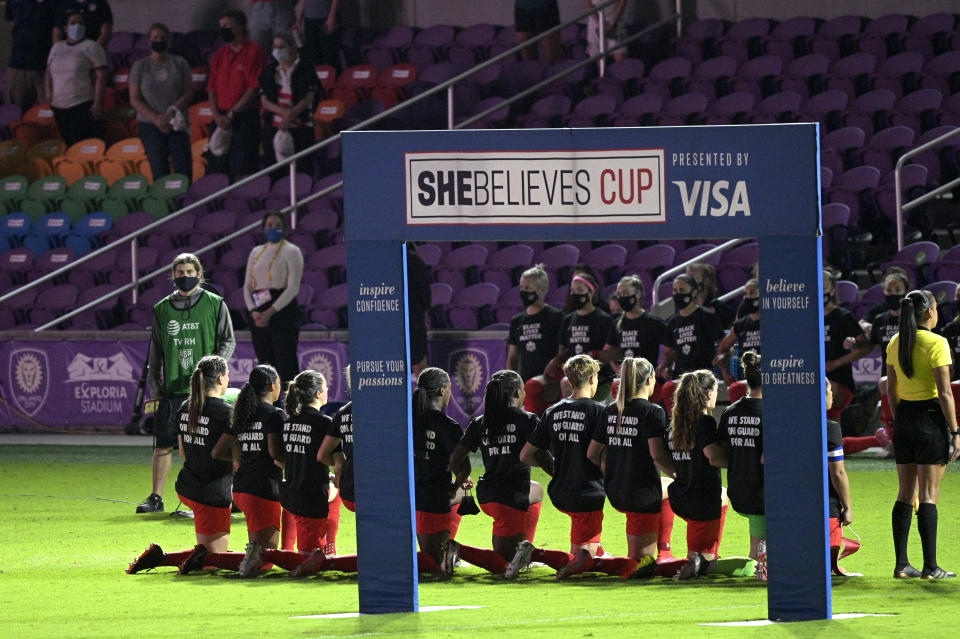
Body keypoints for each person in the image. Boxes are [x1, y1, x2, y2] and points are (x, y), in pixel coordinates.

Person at [136, 253, 236, 514]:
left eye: (190, 271)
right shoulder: (162, 308)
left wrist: (213, 369)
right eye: (179, 272)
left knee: (204, 445)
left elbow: (228, 341)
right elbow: (155, 351)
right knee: (164, 443)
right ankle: (156, 498)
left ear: (199, 274)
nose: (185, 276)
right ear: (173, 276)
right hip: (172, 388)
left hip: (207, 391)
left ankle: (211, 496)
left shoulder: (215, 304)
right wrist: (155, 386)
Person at [127, 356, 237, 575]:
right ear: (221, 379)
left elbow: (185, 454)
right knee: (215, 560)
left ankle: (158, 558)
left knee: (208, 553)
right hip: (212, 492)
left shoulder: (186, 407)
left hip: (188, 486)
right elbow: (235, 459)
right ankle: (161, 558)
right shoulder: (227, 413)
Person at [887, 289, 960, 579]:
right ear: (929, 311)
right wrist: (955, 431)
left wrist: (899, 420)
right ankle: (931, 567)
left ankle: (902, 565)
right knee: (928, 495)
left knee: (905, 494)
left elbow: (890, 390)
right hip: (930, 419)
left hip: (904, 417)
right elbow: (945, 393)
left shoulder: (895, 341)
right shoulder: (937, 342)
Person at [448, 370, 545, 578]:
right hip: (510, 498)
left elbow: (456, 458)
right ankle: (457, 550)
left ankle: (524, 548)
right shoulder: (528, 420)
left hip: (488, 495)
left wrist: (461, 478)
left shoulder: (481, 422)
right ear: (518, 393)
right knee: (507, 567)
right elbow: (543, 457)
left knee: (536, 489)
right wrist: (561, 473)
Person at [587, 357, 676, 579]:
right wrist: (680, 474)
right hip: (641, 494)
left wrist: (614, 470)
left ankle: (665, 550)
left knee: (668, 487)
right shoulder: (653, 411)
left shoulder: (610, 410)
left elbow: (592, 453)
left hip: (616, 489)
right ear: (650, 380)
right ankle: (593, 563)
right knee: (641, 565)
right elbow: (657, 455)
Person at [521, 354, 606, 579]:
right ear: (591, 379)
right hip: (587, 494)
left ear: (569, 381)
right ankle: (536, 554)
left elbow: (527, 454)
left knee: (592, 552)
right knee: (583, 561)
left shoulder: (552, 411)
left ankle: (593, 551)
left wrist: (556, 470)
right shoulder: (599, 411)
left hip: (560, 492)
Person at [210, 364, 285, 578]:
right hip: (263, 489)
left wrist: (238, 459)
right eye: (279, 383)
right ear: (272, 386)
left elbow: (217, 452)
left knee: (257, 547)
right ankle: (216, 560)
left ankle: (210, 557)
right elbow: (275, 453)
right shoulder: (274, 415)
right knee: (265, 559)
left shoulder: (243, 414)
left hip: (241, 489)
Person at [666, 369, 728, 580]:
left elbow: (662, 457)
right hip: (702, 500)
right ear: (708, 393)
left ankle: (709, 554)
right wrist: (739, 462)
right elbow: (713, 456)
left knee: (724, 494)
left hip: (681, 495)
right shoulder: (704, 421)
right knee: (701, 565)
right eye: (716, 391)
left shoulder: (676, 424)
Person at [846, 271, 910, 455]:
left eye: (898, 290)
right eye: (889, 290)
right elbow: (868, 346)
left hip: (912, 374)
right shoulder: (881, 319)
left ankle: (894, 440)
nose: (893, 294)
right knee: (885, 386)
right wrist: (853, 343)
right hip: (889, 376)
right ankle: (892, 440)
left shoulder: (914, 318)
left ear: (906, 292)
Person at [412, 367, 468, 574]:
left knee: (434, 560)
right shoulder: (449, 426)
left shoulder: (406, 421)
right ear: (443, 390)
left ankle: (448, 548)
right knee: (435, 564)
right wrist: (455, 486)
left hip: (408, 499)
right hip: (433, 500)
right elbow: (463, 467)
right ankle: (451, 551)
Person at [716, 350, 766, 580]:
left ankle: (758, 561)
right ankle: (760, 564)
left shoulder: (730, 411)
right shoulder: (772, 413)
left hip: (738, 486)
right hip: (764, 489)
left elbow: (723, 451)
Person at [243, 211, 304, 385]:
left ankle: (293, 407)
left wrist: (271, 311)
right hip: (259, 307)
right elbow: (247, 285)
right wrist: (253, 310)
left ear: (284, 228)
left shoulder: (292, 251)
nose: (273, 228)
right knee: (266, 365)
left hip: (282, 308)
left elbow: (293, 288)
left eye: (277, 224)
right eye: (269, 225)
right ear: (263, 229)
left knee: (286, 363)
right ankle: (270, 408)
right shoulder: (256, 252)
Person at [129, 22, 194, 181]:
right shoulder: (140, 66)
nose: (159, 41)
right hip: (150, 126)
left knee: (183, 171)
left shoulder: (180, 63)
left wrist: (170, 113)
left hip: (177, 123)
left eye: (163, 38)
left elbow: (188, 93)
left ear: (169, 40)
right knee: (159, 172)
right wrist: (156, 119)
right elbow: (135, 99)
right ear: (149, 41)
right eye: (156, 38)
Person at [207, 9, 267, 179]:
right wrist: (217, 115)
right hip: (220, 118)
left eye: (227, 26)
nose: (223, 29)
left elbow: (254, 87)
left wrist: (232, 113)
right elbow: (211, 88)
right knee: (216, 167)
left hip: (245, 117)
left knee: (243, 167)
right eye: (221, 26)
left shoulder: (255, 52)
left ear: (240, 27)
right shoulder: (219, 55)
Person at [657, 273, 724, 417]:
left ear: (693, 292)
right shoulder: (673, 322)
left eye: (682, 290)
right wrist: (664, 367)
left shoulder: (706, 316)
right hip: (680, 375)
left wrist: (723, 364)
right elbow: (669, 352)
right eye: (675, 291)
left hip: (703, 375)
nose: (677, 294)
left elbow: (722, 344)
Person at [544, 271, 615, 401]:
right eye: (572, 291)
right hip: (574, 376)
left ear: (592, 292)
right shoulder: (567, 320)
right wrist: (556, 360)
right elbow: (564, 351)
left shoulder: (604, 319)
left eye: (580, 290)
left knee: (568, 384)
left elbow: (608, 354)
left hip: (598, 377)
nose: (575, 294)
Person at [259, 32, 319, 176]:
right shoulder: (269, 71)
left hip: (301, 128)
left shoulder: (305, 68)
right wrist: (285, 115)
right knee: (276, 173)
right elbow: (265, 101)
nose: (278, 50)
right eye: (275, 47)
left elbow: (308, 98)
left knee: (301, 172)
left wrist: (291, 117)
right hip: (275, 128)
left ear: (292, 48)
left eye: (282, 47)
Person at [506, 263, 563, 415]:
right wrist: (510, 382)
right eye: (521, 288)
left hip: (549, 382)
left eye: (528, 288)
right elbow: (512, 357)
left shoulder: (555, 316)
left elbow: (563, 350)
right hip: (526, 384)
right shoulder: (517, 320)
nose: (523, 292)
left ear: (541, 290)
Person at [45, 9, 107, 146]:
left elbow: (101, 76)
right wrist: (49, 93)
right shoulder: (57, 47)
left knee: (81, 144)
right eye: (73, 23)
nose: (77, 25)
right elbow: (48, 72)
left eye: (80, 23)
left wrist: (97, 103)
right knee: (68, 144)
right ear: (65, 28)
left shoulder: (91, 46)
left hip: (81, 103)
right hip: (59, 105)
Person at [598, 274, 665, 399]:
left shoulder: (653, 321)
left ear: (638, 294)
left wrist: (661, 368)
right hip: (626, 380)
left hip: (648, 378)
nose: (622, 297)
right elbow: (607, 352)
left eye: (626, 293)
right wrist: (618, 370)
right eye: (620, 294)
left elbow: (668, 348)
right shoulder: (618, 323)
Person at [823, 270, 872, 420]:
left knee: (822, 389)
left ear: (831, 289)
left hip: (839, 382)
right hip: (814, 379)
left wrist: (837, 363)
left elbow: (866, 347)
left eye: (823, 287)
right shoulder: (807, 316)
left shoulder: (843, 316)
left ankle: (833, 441)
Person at [825, 380, 861, 577]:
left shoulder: (788, 426)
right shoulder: (830, 428)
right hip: (826, 508)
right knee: (829, 562)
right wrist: (847, 508)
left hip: (791, 509)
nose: (833, 395)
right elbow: (837, 472)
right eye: (830, 390)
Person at [713, 278, 761, 403]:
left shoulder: (772, 320)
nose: (748, 297)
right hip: (746, 375)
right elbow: (723, 347)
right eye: (746, 294)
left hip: (766, 374)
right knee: (736, 389)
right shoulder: (741, 324)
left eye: (753, 293)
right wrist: (725, 372)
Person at [4, 0, 56, 110]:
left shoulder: (55, 3)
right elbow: (13, 26)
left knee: (48, 112)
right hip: (19, 64)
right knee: (14, 111)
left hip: (47, 66)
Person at [407, 244, 432, 377]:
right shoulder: (416, 262)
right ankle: (425, 397)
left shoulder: (385, 263)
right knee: (420, 366)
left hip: (404, 319)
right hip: (414, 319)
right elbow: (426, 296)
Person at [686, 262, 734, 328]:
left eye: (694, 278)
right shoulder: (685, 310)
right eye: (687, 279)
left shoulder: (720, 306)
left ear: (706, 281)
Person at [295, 0, 341, 69]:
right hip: (309, 19)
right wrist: (299, 20)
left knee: (329, 56)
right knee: (313, 56)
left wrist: (332, 17)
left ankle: (332, 78)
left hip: (325, 18)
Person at [586, 0, 627, 71]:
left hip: (616, 22)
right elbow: (588, 5)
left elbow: (623, 3)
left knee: (621, 60)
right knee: (600, 64)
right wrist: (600, 24)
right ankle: (603, 80)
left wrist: (612, 23)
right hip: (596, 23)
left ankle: (621, 80)